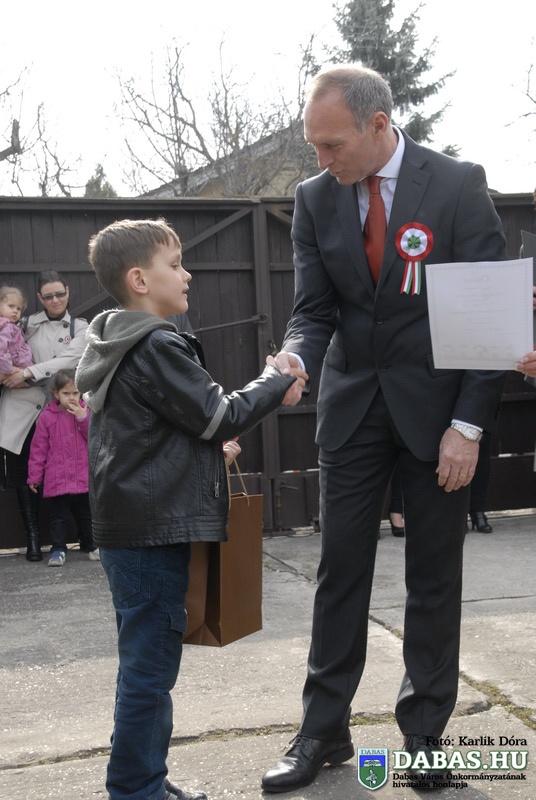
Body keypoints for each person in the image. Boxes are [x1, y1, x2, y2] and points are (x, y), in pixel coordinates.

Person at [261, 65, 507, 793]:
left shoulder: (457, 184)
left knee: (434, 574)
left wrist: (468, 425)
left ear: (378, 125)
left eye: (331, 145)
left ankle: (424, 737)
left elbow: (489, 312)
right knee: (340, 570)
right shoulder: (315, 198)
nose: (320, 160)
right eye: (313, 146)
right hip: (351, 411)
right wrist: (295, 356)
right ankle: (323, 732)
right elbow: (314, 310)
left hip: (438, 417)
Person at [75, 218, 306, 800]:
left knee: (144, 666)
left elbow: (145, 437)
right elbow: (220, 415)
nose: (188, 275)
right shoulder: (156, 343)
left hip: (131, 530)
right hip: (150, 536)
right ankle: (136, 790)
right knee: (149, 673)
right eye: (175, 265)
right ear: (139, 279)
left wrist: (202, 453)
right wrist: (274, 378)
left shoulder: (116, 342)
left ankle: (142, 780)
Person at [0, 271, 88, 561]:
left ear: (68, 291)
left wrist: (28, 373)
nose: (55, 300)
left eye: (59, 294)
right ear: (39, 298)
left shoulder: (80, 328)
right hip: (22, 407)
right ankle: (33, 539)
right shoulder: (23, 324)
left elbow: (69, 360)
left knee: (67, 467)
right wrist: (11, 376)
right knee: (24, 470)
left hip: (60, 409)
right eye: (48, 296)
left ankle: (81, 537)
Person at [27, 368, 98, 566]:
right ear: (56, 394)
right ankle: (58, 549)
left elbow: (94, 437)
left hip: (83, 476)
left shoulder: (87, 412)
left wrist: (82, 417)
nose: (71, 398)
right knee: (59, 516)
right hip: (59, 477)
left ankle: (93, 546)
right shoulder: (47, 417)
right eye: (66, 393)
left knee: (87, 515)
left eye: (75, 393)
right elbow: (38, 449)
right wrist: (34, 476)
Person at [0, 285, 33, 374]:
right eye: (11, 306)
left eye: (19, 309)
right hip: (13, 371)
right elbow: (1, 350)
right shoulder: (6, 327)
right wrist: (8, 369)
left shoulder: (12, 325)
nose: (15, 311)